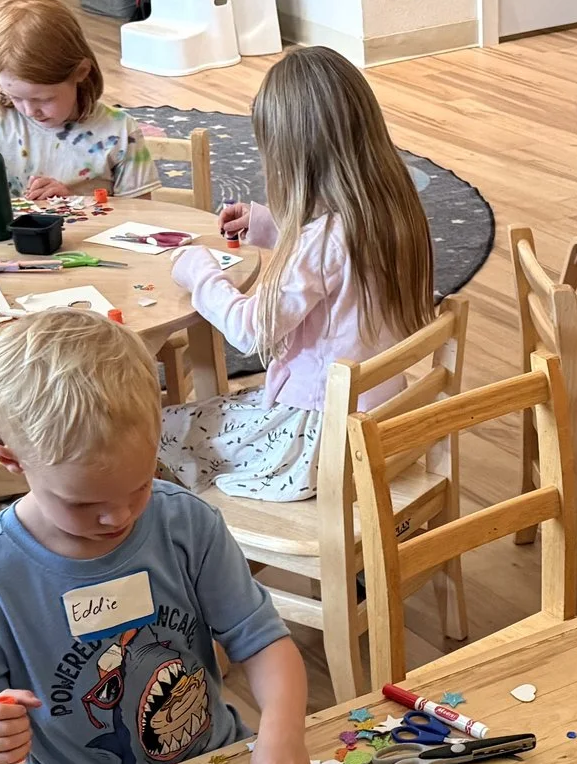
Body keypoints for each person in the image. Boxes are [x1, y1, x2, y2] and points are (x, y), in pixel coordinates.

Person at [0, 311, 314, 764]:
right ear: (11, 461)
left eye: (139, 485)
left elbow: (262, 641)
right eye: (84, 504)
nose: (119, 517)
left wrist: (283, 732)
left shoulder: (185, 523)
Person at [158, 46, 434, 502]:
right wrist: (274, 227)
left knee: (163, 430)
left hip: (321, 441)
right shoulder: (391, 208)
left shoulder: (319, 242)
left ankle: (195, 553)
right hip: (380, 413)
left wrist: (200, 273)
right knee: (210, 415)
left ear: (291, 159)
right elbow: (340, 270)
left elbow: (251, 331)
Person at [0, 0, 160, 201]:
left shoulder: (118, 131)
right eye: (15, 96)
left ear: (81, 72)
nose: (29, 110)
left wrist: (74, 200)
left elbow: (141, 216)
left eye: (43, 99)